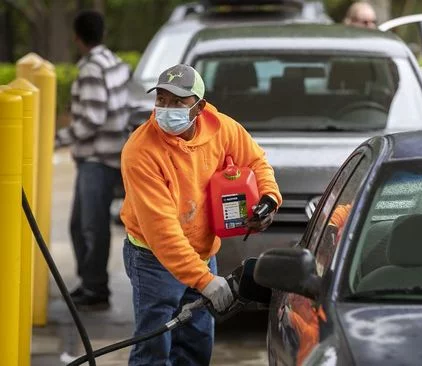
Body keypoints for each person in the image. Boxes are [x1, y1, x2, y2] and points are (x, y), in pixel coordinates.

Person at [120, 63, 282, 365]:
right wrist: (204, 280)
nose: (166, 109)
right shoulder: (140, 151)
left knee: (196, 345)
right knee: (153, 348)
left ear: (199, 107)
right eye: (161, 100)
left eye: (178, 102)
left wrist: (269, 198)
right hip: (153, 260)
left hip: (202, 251)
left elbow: (257, 162)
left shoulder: (222, 129)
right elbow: (162, 230)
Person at [55, 9, 131, 311]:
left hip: (97, 159)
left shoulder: (90, 68)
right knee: (88, 225)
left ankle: (95, 288)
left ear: (77, 37)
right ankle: (92, 284)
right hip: (114, 154)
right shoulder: (114, 62)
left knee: (88, 227)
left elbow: (93, 118)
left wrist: (57, 139)